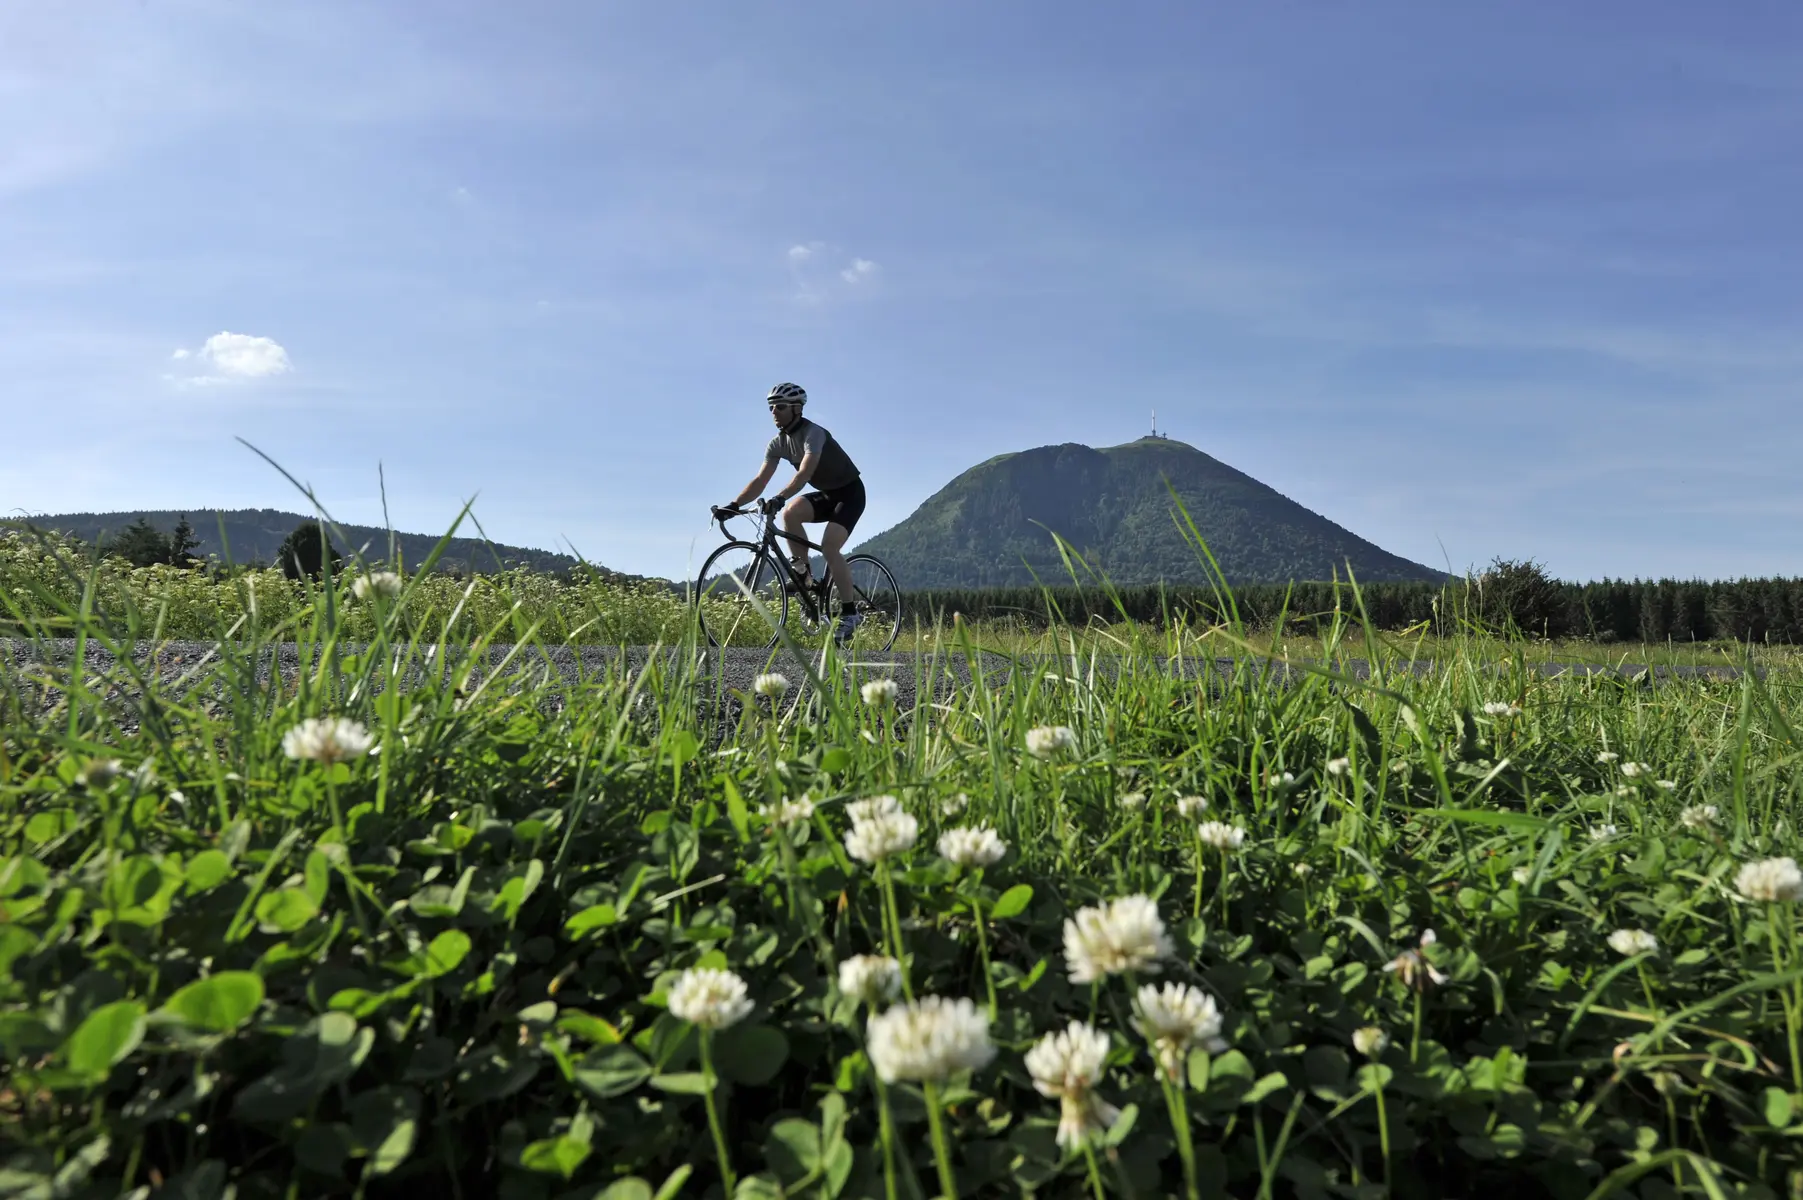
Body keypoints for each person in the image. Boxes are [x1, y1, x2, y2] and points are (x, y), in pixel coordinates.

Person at [714, 382, 867, 643]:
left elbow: (804, 474)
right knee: (791, 514)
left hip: (850, 493)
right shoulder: (777, 444)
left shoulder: (813, 433)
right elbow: (760, 480)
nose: (774, 411)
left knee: (829, 546)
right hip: (827, 495)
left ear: (796, 409)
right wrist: (735, 505)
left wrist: (780, 497)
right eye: (771, 407)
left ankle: (850, 613)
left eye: (780, 406)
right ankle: (804, 576)